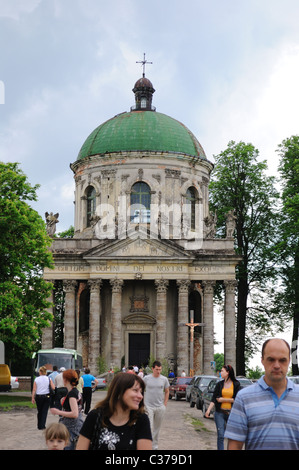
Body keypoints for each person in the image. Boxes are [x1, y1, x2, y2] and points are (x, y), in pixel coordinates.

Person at [225, 338, 299, 450]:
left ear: (289, 360)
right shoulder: (244, 398)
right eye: (271, 359)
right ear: (262, 360)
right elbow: (234, 445)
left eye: (282, 360)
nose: (277, 365)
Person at [76, 372, 152, 450]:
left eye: (141, 392)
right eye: (135, 390)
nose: (141, 396)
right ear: (119, 392)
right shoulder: (95, 416)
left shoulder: (141, 420)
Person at [204, 365, 240, 450]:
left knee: (232, 436)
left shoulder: (236, 384)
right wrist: (208, 410)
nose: (220, 372)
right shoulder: (219, 384)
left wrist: (223, 399)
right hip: (219, 413)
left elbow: (237, 399)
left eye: (222, 371)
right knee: (220, 435)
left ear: (228, 373)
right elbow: (214, 398)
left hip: (232, 413)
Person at [50, 369, 84, 450]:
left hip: (71, 428)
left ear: (65, 380)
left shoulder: (72, 394)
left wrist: (58, 411)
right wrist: (64, 400)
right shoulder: (73, 391)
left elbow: (74, 413)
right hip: (73, 426)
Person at [143, 360, 169, 450]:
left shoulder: (164, 379)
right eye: (157, 369)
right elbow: (141, 389)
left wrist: (164, 404)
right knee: (148, 427)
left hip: (160, 407)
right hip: (148, 406)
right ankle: (148, 445)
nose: (158, 371)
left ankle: (155, 446)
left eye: (160, 369)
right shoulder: (146, 378)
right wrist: (142, 402)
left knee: (157, 429)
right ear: (152, 369)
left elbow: (167, 391)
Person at [32, 366, 55, 430]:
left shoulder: (36, 379)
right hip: (47, 396)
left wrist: (33, 398)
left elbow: (34, 389)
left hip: (39, 396)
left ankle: (39, 425)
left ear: (40, 372)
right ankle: (42, 425)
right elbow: (53, 387)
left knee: (39, 411)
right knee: (44, 411)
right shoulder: (48, 378)